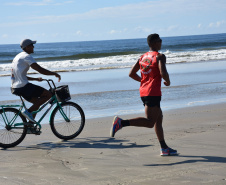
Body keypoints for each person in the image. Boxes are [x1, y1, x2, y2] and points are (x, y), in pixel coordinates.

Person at [110, 33, 177, 156]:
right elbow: (163, 72)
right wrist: (167, 81)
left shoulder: (142, 57)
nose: (161, 42)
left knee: (158, 118)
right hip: (153, 93)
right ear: (153, 43)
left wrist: (144, 81)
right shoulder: (160, 56)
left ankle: (164, 148)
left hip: (144, 91)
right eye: (159, 40)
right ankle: (121, 123)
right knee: (151, 122)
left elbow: (131, 73)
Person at [11, 39, 61, 124]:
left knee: (36, 103)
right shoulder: (27, 56)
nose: (33, 47)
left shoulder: (17, 57)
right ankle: (28, 112)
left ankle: (30, 125)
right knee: (48, 94)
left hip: (15, 87)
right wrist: (54, 73)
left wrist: (35, 79)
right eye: (32, 45)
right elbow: (40, 70)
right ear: (27, 47)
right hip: (23, 87)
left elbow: (20, 76)